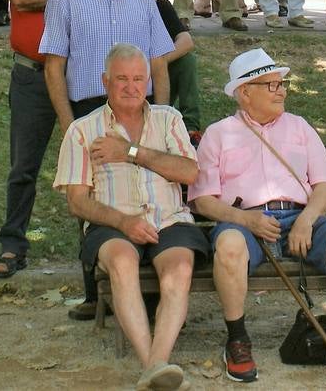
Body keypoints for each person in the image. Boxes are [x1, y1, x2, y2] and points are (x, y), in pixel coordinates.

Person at [189, 48, 326, 384]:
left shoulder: (299, 127)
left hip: (301, 219)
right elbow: (203, 201)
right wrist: (245, 220)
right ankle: (237, 340)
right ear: (245, 93)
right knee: (227, 243)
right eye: (271, 85)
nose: (282, 90)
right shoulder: (219, 134)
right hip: (246, 223)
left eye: (282, 83)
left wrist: (307, 218)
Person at [54, 43, 206, 391]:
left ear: (148, 80)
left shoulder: (169, 119)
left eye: (138, 78)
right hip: (112, 225)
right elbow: (77, 202)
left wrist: (131, 152)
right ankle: (154, 364)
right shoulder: (82, 130)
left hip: (169, 220)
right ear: (105, 81)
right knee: (122, 261)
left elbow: (189, 172)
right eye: (121, 78)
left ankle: (155, 365)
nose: (131, 86)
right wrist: (124, 223)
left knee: (179, 268)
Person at [42, 0, 175, 319]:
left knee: (143, 187)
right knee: (91, 197)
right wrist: (69, 126)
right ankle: (95, 293)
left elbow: (158, 62)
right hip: (88, 108)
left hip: (141, 107)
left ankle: (148, 292)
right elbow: (53, 66)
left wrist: (163, 116)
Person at [0, 0, 90, 281]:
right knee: (24, 166)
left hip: (83, 76)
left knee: (93, 163)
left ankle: (95, 248)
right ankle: (13, 243)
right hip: (31, 73)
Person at [126, 0, 202, 136]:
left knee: (186, 61)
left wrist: (156, 63)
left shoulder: (161, 4)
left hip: (154, 73)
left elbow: (186, 41)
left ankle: (191, 128)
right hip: (128, 76)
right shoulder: (120, 7)